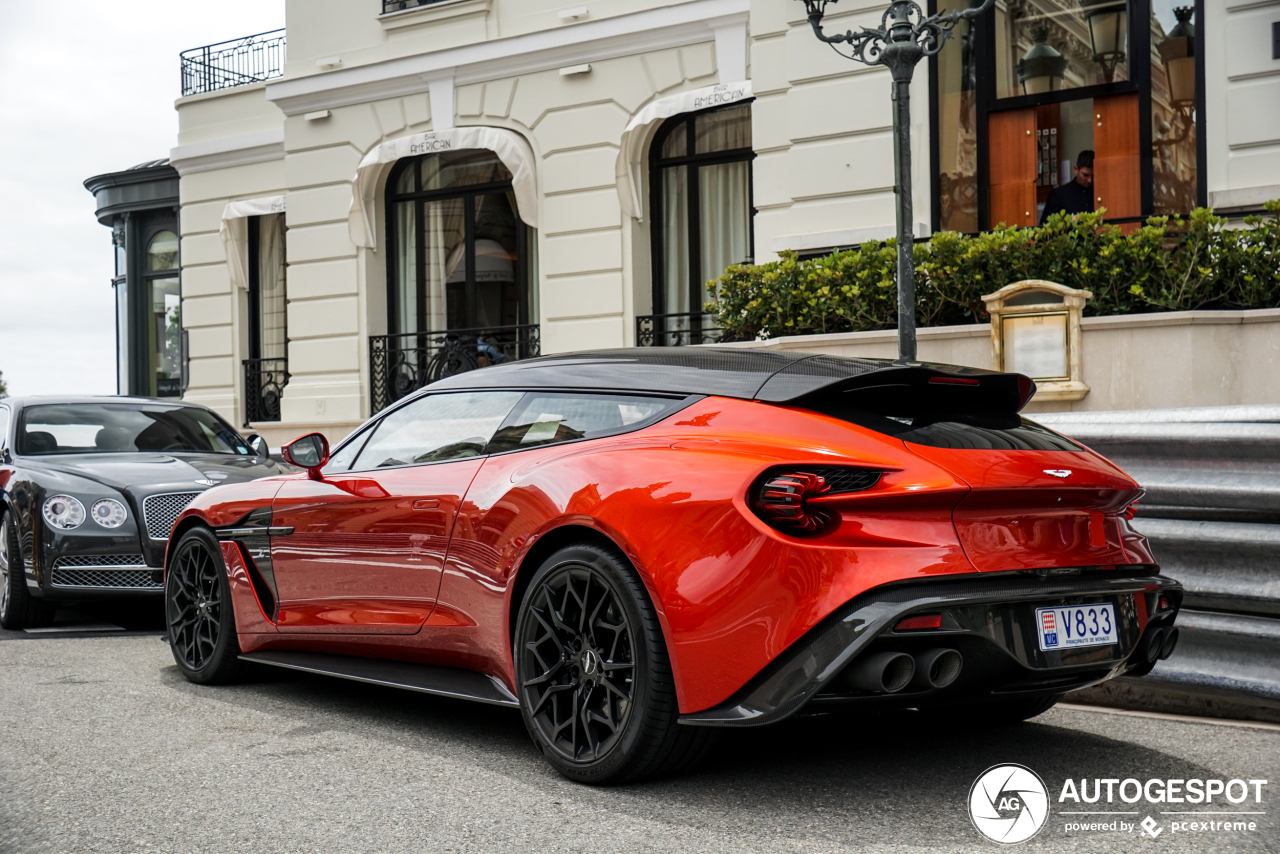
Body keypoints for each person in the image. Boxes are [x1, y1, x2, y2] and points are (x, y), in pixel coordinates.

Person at [1039, 150, 1094, 223]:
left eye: (1093, 175)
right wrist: (1068, 221)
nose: (1089, 180)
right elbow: (1044, 226)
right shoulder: (1059, 195)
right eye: (1085, 175)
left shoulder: (1101, 192)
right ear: (1076, 169)